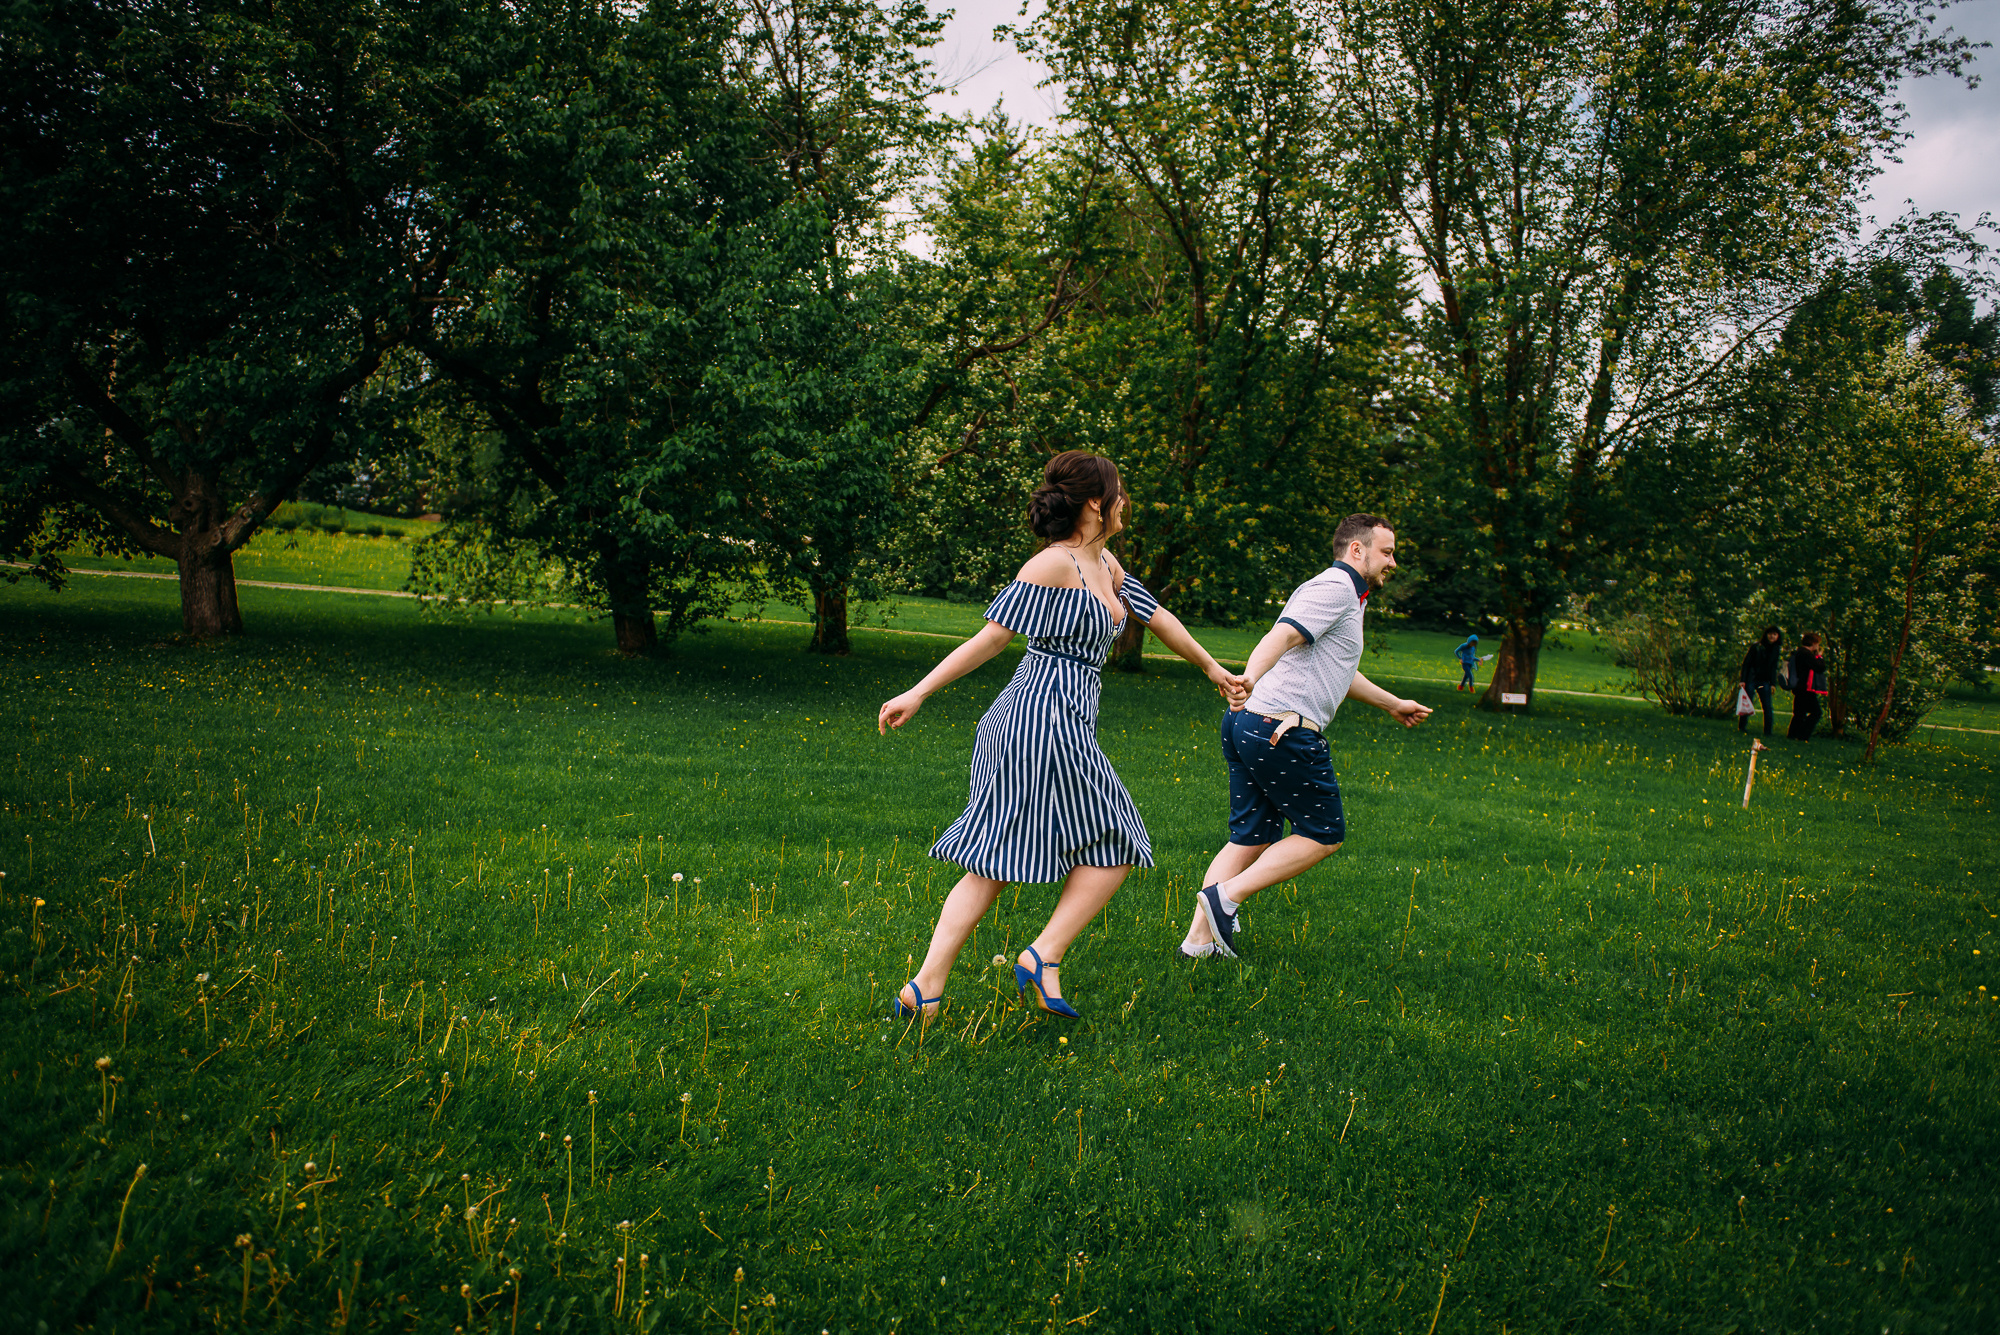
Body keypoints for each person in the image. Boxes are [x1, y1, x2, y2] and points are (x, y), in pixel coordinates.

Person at [877, 451, 1247, 1020]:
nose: (1125, 502)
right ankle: (1041, 956)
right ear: (1096, 503)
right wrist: (919, 691)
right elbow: (992, 639)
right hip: (1038, 719)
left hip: (1063, 720)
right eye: (1119, 492)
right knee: (1115, 840)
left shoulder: (1105, 563)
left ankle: (926, 989)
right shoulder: (1051, 565)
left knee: (1000, 861)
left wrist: (1212, 669)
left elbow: (1157, 616)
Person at [1178, 514, 1432, 960]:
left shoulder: (1351, 597)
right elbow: (1283, 634)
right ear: (1358, 550)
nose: (1393, 561)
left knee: (1250, 838)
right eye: (1387, 551)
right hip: (1281, 727)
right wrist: (1249, 677)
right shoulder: (1335, 588)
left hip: (1252, 724)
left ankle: (1198, 943)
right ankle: (1225, 898)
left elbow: (1341, 669)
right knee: (1324, 833)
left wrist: (1393, 703)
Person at [1737, 625, 1783, 735]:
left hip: (1764, 681)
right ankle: (1742, 727)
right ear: (1766, 635)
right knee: (1747, 703)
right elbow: (1747, 663)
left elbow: (1773, 667)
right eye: (1770, 634)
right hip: (1752, 679)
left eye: (1774, 634)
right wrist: (1743, 680)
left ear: (1777, 636)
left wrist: (1772, 683)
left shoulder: (1776, 649)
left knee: (1767, 706)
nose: (1772, 636)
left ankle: (1768, 731)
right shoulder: (1756, 647)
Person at [1786, 632, 1828, 741]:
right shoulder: (1806, 654)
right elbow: (1819, 667)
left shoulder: (1798, 652)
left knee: (1799, 713)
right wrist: (1819, 656)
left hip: (1798, 686)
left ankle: (1792, 734)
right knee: (1816, 712)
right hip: (1806, 687)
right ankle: (1802, 735)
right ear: (1813, 643)